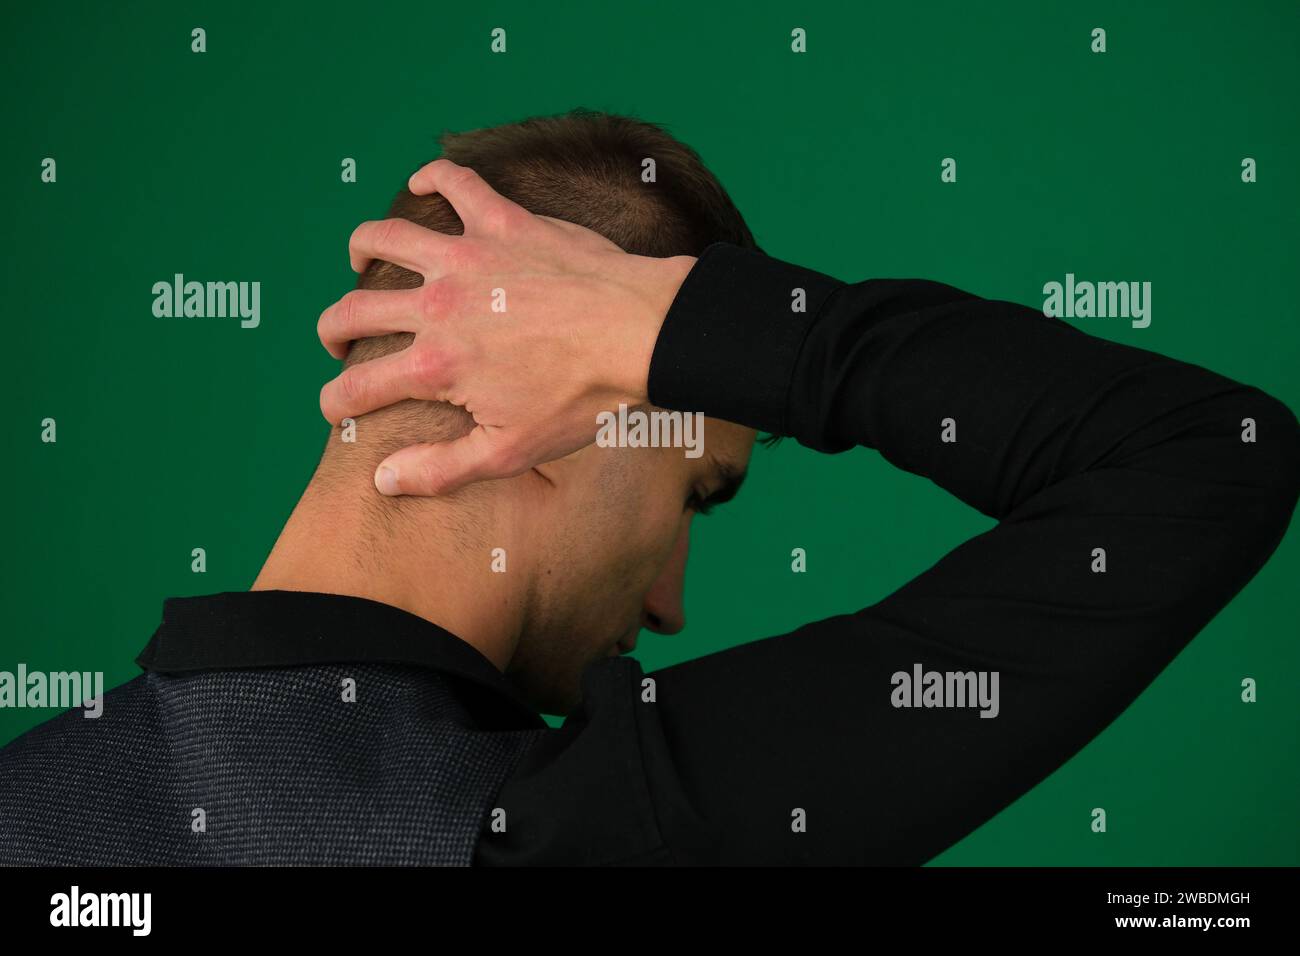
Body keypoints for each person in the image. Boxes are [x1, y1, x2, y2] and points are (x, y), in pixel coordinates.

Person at [1, 110, 1295, 866]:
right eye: (699, 495)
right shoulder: (588, 830)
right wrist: (675, 325)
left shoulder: (32, 795)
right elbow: (1203, 454)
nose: (675, 603)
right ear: (558, 413)